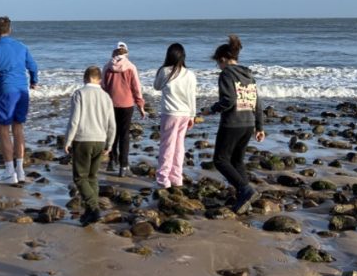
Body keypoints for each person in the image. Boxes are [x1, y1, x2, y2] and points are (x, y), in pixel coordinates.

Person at [202, 34, 266, 214]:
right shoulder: (249, 75)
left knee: (220, 160)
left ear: (223, 59)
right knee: (237, 161)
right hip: (248, 123)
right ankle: (244, 197)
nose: (218, 66)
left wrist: (211, 109)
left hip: (232, 123)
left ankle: (246, 190)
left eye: (218, 63)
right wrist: (260, 127)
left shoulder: (226, 74)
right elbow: (257, 102)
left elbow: (228, 100)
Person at [0, 16, 38, 184]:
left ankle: (9, 172)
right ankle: (20, 171)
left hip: (6, 91)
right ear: (10, 29)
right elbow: (33, 67)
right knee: (18, 128)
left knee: (3, 129)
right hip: (22, 90)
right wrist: (34, 81)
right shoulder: (21, 46)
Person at [65, 66, 116, 227]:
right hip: (100, 140)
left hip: (83, 139)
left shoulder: (79, 93)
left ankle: (94, 209)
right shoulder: (106, 96)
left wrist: (68, 140)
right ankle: (89, 212)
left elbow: (74, 120)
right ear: (99, 80)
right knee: (92, 177)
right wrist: (110, 143)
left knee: (80, 178)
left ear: (84, 78)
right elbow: (111, 123)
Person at [152, 43, 198, 189]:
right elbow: (192, 97)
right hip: (185, 114)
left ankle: (163, 178)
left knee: (167, 146)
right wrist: (192, 115)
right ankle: (176, 177)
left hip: (170, 113)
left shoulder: (165, 71)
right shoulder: (189, 74)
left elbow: (156, 86)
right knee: (179, 146)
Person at [101, 41, 145, 177]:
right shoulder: (131, 67)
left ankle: (112, 161)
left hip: (110, 104)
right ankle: (123, 166)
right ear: (126, 52)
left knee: (112, 132)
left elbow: (103, 87)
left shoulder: (107, 67)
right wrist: (140, 104)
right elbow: (136, 88)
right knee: (124, 135)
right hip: (126, 104)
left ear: (113, 52)